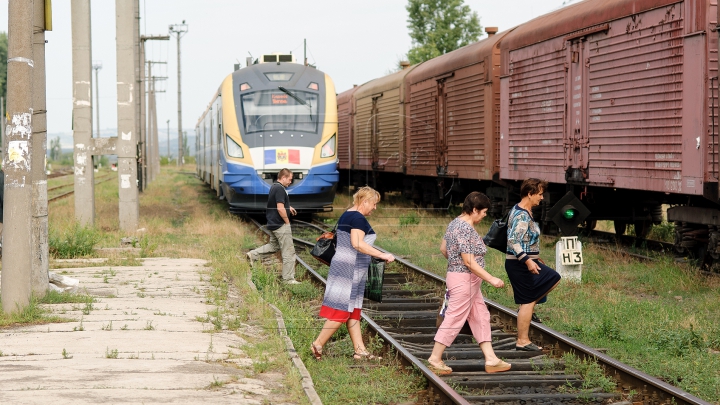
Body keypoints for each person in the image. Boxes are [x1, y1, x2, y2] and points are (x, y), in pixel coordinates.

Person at [427, 192, 511, 375]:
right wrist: (491, 278)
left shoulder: (454, 223)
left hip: (465, 280)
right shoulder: (465, 228)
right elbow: (469, 262)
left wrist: (455, 263)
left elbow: (443, 248)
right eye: (483, 212)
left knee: (481, 316)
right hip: (465, 280)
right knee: (454, 317)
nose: (484, 216)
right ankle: (435, 358)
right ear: (474, 210)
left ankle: (491, 359)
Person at [310, 186, 394, 361]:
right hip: (349, 269)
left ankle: (360, 350)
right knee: (341, 311)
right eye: (374, 204)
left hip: (347, 268)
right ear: (365, 202)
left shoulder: (348, 213)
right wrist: (382, 254)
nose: (375, 208)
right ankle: (317, 344)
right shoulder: (358, 218)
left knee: (353, 311)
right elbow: (357, 244)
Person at [505, 178, 562, 351]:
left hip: (523, 262)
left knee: (551, 279)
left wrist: (534, 257)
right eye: (539, 194)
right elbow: (513, 241)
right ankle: (522, 341)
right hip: (520, 264)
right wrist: (528, 260)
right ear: (529, 194)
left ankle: (526, 311)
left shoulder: (522, 210)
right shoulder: (522, 215)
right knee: (530, 298)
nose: (542, 198)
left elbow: (524, 240)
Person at [246, 168, 299, 284]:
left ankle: (253, 255)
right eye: (289, 179)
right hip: (280, 224)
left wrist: (288, 208)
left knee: (274, 246)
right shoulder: (280, 189)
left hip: (273, 223)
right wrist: (287, 221)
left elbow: (276, 204)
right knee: (289, 252)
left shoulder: (274, 187)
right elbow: (280, 208)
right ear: (283, 177)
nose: (290, 182)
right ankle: (288, 279)